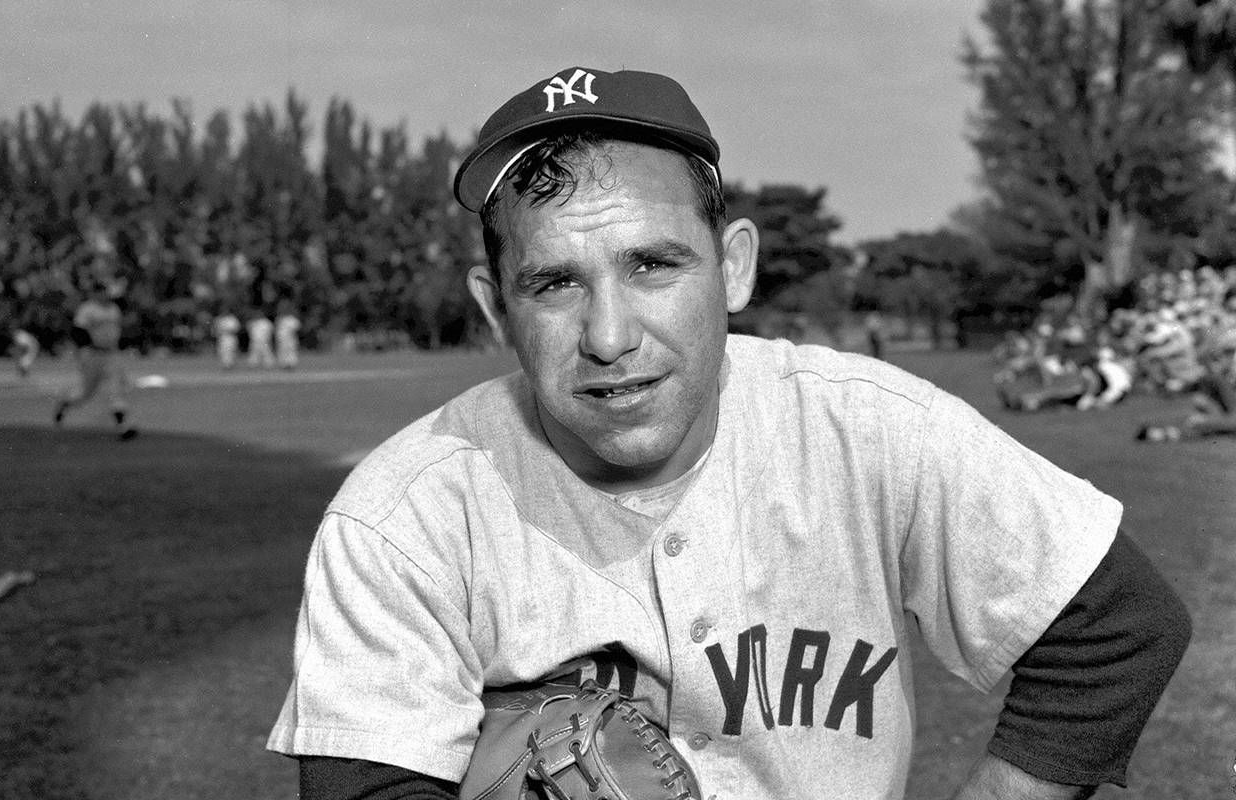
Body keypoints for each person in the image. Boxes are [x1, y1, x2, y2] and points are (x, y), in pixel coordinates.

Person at [269, 67, 1191, 800]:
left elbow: (1115, 627)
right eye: (556, 283)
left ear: (733, 267)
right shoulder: (403, 516)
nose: (610, 335)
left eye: (653, 264)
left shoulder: (867, 430)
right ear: (494, 309)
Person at [53, 282, 137, 440]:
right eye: (100, 292)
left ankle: (122, 426)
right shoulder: (88, 309)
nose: (104, 295)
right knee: (84, 393)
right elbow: (77, 332)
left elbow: (117, 332)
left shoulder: (113, 309)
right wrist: (84, 351)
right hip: (92, 355)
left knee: (116, 389)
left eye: (105, 291)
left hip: (110, 355)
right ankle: (64, 404)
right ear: (95, 293)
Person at [274, 301, 302, 370]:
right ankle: (283, 365)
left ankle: (291, 365)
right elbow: (277, 330)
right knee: (282, 351)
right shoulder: (279, 319)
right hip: (281, 339)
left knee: (291, 351)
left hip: (290, 339)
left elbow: (297, 327)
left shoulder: (292, 319)